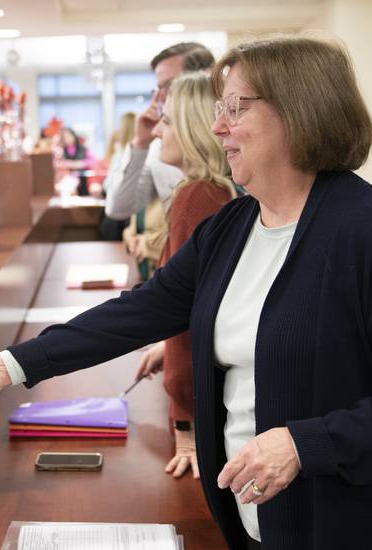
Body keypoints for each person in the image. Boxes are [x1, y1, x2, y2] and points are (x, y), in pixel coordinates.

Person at [0, 35, 372, 550]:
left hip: (362, 524)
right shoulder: (232, 228)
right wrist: (12, 364)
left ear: (299, 112)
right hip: (258, 514)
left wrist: (303, 444)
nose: (218, 125)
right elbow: (141, 311)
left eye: (235, 108)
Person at [133, 71, 234, 479]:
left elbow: (186, 315)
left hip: (204, 406)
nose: (158, 130)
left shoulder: (196, 195)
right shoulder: (222, 189)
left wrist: (184, 422)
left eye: (169, 121)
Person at [104, 42, 214, 220]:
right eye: (158, 87)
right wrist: (140, 144)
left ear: (203, 81)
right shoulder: (159, 147)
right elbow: (118, 209)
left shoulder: (230, 139)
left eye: (169, 85)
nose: (160, 97)